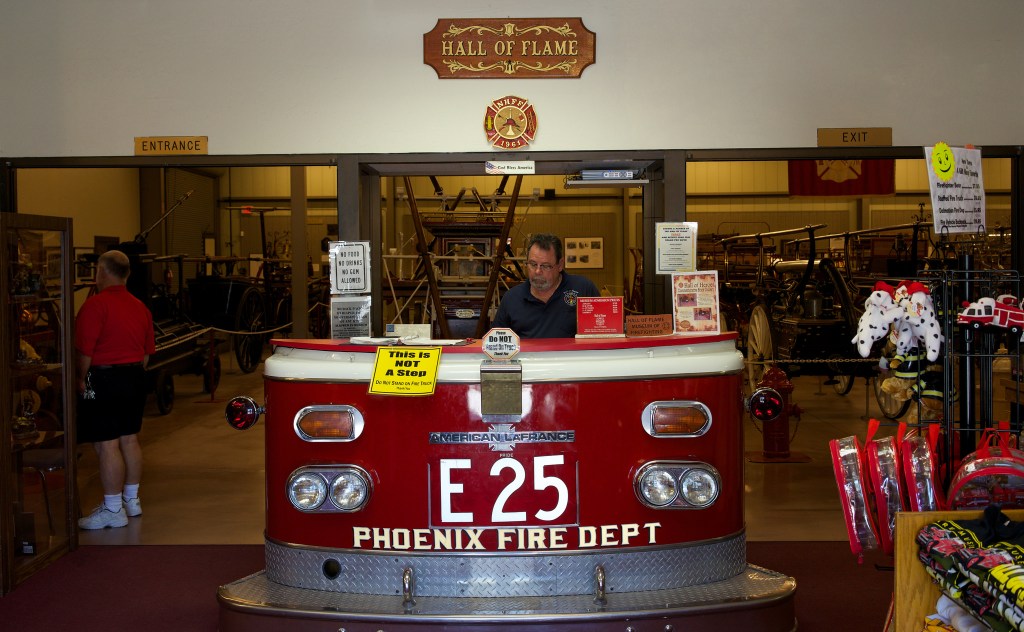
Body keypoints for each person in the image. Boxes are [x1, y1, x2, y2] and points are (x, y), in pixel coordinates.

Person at [75, 249, 155, 529]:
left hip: (104, 377)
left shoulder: (95, 306)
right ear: (127, 274)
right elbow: (146, 354)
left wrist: (80, 379)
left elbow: (85, 352)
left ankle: (112, 508)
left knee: (106, 443)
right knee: (129, 439)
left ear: (101, 271)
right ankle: (131, 500)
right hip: (135, 376)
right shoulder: (140, 307)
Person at [491, 233, 600, 338]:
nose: (538, 271)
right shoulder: (512, 298)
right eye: (533, 264)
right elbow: (495, 344)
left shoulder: (583, 289)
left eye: (546, 266)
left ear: (560, 265)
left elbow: (603, 334)